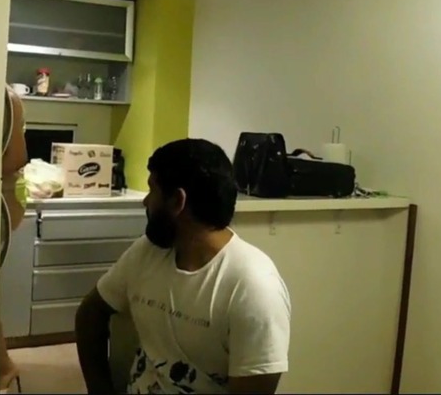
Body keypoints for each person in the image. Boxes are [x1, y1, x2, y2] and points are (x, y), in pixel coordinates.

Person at [75, 138, 292, 395]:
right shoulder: (147, 252)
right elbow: (90, 313)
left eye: (152, 190)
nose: (146, 202)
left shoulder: (253, 287)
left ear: (177, 201)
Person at [0, 86, 29, 393]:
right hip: (0, 201)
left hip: (4, 203)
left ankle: (3, 367)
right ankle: (1, 365)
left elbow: (17, 158)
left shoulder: (8, 97)